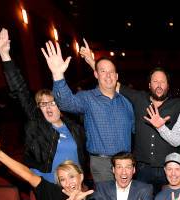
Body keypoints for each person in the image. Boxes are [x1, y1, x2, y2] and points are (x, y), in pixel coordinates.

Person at [79, 39, 180, 190]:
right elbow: (111, 81)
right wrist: (93, 63)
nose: (159, 85)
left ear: (168, 85)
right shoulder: (138, 98)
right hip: (142, 170)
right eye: (155, 81)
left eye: (163, 82)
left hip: (169, 170)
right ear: (149, 84)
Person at [0, 29, 87, 184]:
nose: (48, 107)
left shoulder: (75, 127)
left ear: (61, 106)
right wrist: (5, 56)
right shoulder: (38, 123)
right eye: (43, 104)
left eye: (52, 102)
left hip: (75, 186)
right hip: (47, 186)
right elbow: (20, 91)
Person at [42, 41, 134, 182]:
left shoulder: (126, 103)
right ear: (96, 74)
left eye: (111, 72)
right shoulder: (87, 98)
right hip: (102, 164)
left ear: (117, 76)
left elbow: (134, 130)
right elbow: (65, 103)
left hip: (124, 164)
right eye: (103, 71)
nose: (108, 75)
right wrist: (58, 75)